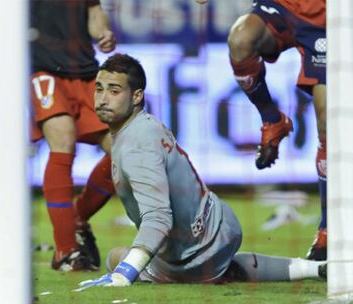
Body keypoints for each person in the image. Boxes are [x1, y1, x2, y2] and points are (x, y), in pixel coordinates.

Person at [76, 54, 326, 289]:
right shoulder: (145, 125)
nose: (103, 98)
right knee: (218, 268)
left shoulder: (135, 145)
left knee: (116, 259)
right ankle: (314, 269)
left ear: (137, 96)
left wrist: (124, 274)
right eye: (99, 88)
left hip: (193, 254)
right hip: (219, 226)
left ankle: (197, 270)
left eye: (114, 90)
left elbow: (159, 218)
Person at [0, 0, 116, 271]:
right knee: (63, 137)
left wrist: (103, 33)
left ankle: (77, 217)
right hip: (41, 66)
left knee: (123, 152)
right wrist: (2, 43)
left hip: (85, 69)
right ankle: (65, 250)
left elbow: (94, 12)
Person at [196, 0, 327, 260]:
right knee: (241, 39)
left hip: (329, 20)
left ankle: (328, 229)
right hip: (284, 6)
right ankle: (272, 119)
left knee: (327, 121)